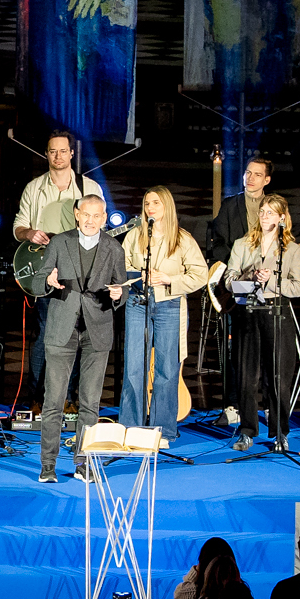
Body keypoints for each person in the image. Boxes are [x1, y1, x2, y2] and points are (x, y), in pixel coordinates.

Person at [12, 131, 102, 423]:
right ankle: (39, 398)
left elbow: (98, 228)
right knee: (46, 334)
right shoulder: (34, 188)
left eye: (63, 151)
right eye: (53, 151)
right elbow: (18, 226)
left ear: (72, 153)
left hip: (79, 273)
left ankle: (68, 398)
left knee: (75, 334)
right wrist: (29, 233)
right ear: (46, 154)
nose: (58, 156)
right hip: (45, 269)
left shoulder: (89, 187)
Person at [38, 194, 128, 482]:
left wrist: (119, 294)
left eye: (97, 216)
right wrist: (48, 281)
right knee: (54, 401)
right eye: (86, 215)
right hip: (61, 328)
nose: (91, 220)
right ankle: (48, 466)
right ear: (77, 214)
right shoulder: (59, 242)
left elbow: (122, 287)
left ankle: (83, 464)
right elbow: (39, 278)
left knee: (90, 403)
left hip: (97, 329)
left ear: (104, 218)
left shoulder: (114, 248)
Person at [118, 187, 211, 446]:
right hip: (138, 302)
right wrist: (137, 276)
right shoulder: (135, 236)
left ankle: (164, 431)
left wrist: (169, 279)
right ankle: (131, 428)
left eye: (156, 203)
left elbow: (200, 274)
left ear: (167, 206)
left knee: (167, 370)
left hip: (170, 305)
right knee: (134, 367)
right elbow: (121, 266)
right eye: (147, 203)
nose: (150, 207)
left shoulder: (182, 239)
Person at [226, 191, 300, 450]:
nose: (264, 216)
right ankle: (247, 430)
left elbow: (299, 287)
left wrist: (272, 279)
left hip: (277, 313)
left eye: (270, 212)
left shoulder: (292, 250)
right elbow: (228, 279)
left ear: (282, 218)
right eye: (262, 211)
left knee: (278, 376)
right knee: (246, 376)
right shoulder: (242, 244)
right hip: (248, 312)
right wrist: (249, 276)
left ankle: (280, 432)